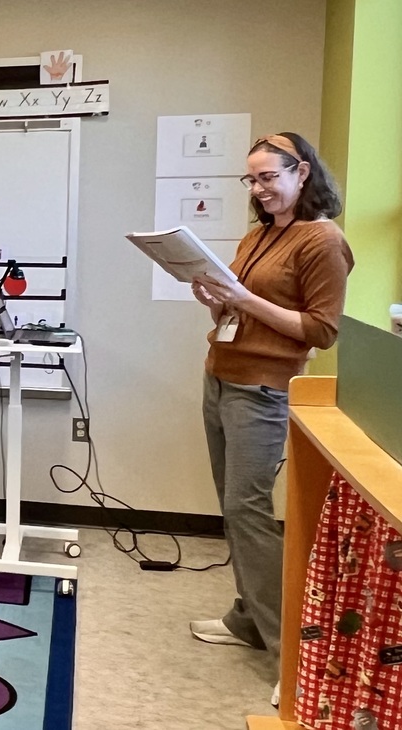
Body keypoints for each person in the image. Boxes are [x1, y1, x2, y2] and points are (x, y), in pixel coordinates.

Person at [188, 132, 353, 698]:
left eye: (269, 177)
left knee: (248, 512)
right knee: (233, 510)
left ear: (301, 173)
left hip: (262, 390)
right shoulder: (259, 234)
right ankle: (247, 621)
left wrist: (243, 301)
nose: (259, 189)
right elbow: (243, 300)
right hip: (220, 374)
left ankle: (296, 658)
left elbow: (321, 332)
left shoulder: (322, 240)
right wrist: (215, 298)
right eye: (251, 179)